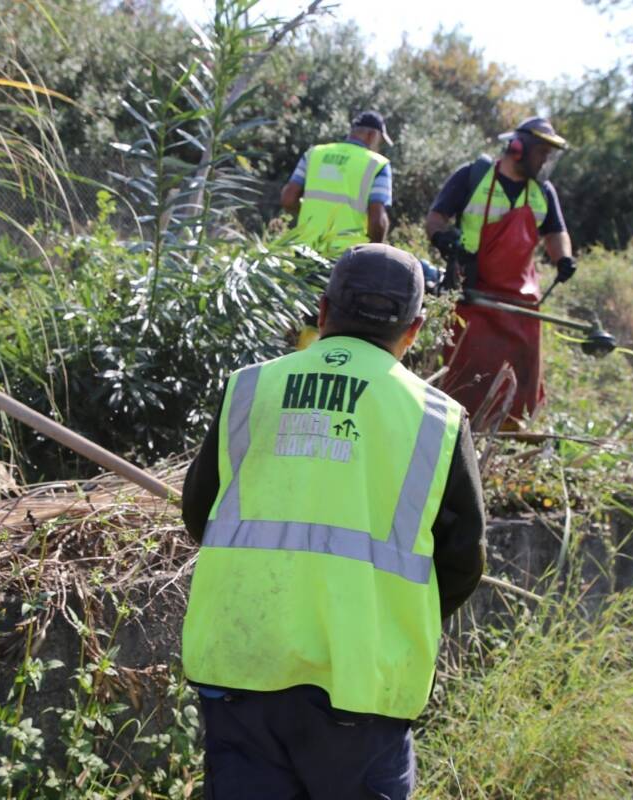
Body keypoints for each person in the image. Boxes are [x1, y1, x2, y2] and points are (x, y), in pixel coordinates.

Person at [179, 244, 487, 799]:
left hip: (243, 670)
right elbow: (463, 562)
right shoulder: (437, 419)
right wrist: (392, 614)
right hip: (361, 684)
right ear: (414, 330)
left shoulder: (249, 388)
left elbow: (201, 518)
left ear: (322, 312)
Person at [425, 116, 574, 427]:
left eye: (549, 155)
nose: (545, 161)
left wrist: (564, 259)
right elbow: (436, 218)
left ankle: (510, 434)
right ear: (518, 149)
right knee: (464, 374)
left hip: (521, 306)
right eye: (541, 153)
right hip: (472, 296)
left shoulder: (542, 192)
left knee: (520, 380)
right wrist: (442, 237)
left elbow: (555, 232)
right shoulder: (472, 177)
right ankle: (456, 429)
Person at [281, 111, 395, 258]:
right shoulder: (377, 164)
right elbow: (377, 219)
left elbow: (288, 199)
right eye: (380, 141)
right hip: (348, 256)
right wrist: (374, 251)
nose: (378, 146)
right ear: (372, 135)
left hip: (305, 249)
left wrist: (313, 216)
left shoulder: (314, 154)